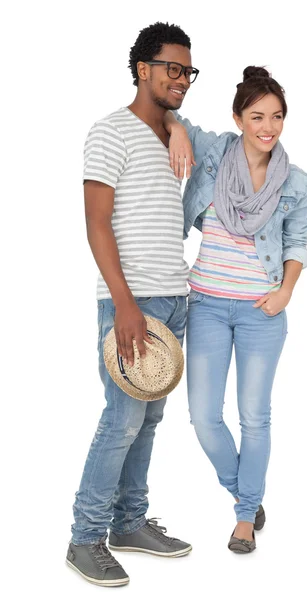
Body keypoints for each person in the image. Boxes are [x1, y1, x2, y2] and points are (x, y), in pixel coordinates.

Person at [67, 22, 199, 587]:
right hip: (132, 300)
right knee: (121, 420)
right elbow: (96, 224)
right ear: (143, 69)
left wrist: (175, 123)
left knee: (149, 419)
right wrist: (123, 303)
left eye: (189, 71)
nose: (183, 79)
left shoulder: (171, 131)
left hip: (176, 296)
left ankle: (129, 522)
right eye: (173, 68)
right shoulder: (109, 132)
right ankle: (84, 537)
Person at [165, 66, 307, 553]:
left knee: (255, 416)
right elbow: (170, 113)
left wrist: (286, 291)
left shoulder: (297, 182)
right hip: (207, 303)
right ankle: (247, 496)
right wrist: (173, 131)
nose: (267, 127)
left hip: (261, 311)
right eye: (257, 117)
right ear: (238, 118)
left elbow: (296, 244)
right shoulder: (215, 153)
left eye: (276, 117)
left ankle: (244, 519)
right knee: (203, 416)